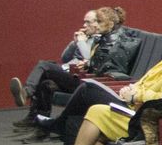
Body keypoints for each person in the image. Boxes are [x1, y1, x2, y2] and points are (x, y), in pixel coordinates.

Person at [12, 7, 142, 127]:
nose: (92, 25)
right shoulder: (101, 38)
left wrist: (86, 60)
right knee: (47, 83)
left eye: (96, 22)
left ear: (110, 24)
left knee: (44, 66)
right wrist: (76, 44)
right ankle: (38, 122)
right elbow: (66, 58)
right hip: (82, 74)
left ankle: (29, 94)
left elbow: (107, 65)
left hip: (93, 82)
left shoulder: (115, 42)